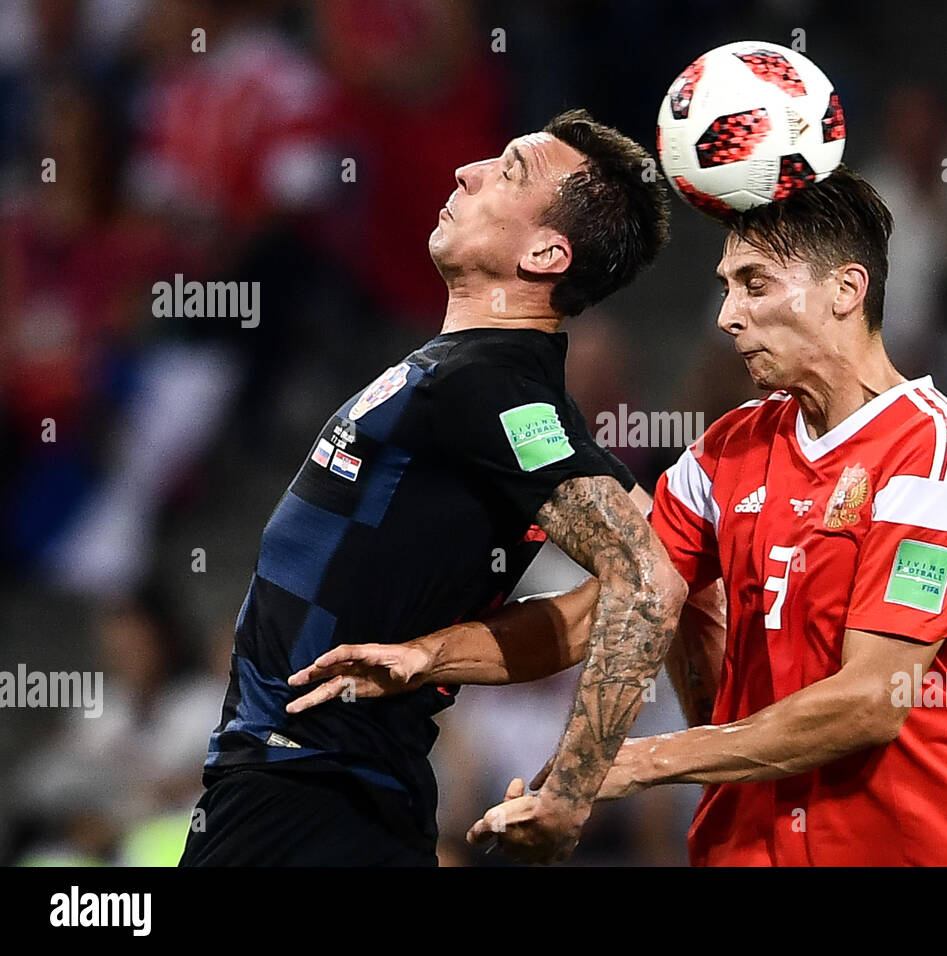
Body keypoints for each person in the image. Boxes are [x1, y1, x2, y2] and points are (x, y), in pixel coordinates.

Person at [299, 167, 947, 866]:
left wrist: (645, 759)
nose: (728, 316)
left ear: (845, 290)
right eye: (726, 287)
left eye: (755, 284)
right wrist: (431, 655)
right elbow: (606, 607)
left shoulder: (937, 452)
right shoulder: (727, 451)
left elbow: (871, 700)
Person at [179, 109, 686, 867]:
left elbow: (649, 579)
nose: (466, 172)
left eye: (508, 170)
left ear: (548, 252)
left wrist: (569, 792)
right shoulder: (475, 377)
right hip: (324, 798)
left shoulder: (494, 385)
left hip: (309, 803)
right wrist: (435, 653)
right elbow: (641, 574)